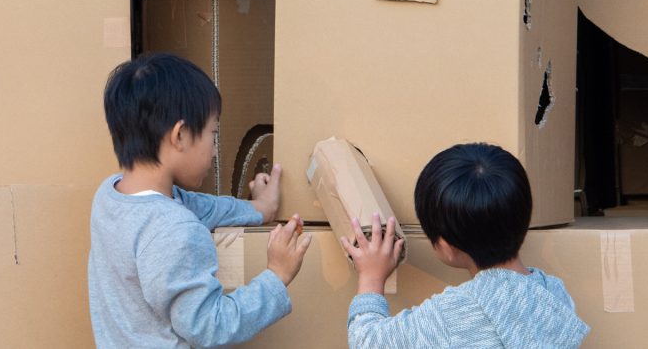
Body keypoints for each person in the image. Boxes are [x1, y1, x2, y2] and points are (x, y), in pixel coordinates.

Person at [89, 53, 311, 347]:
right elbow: (211, 326)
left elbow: (196, 205)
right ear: (180, 135)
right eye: (213, 135)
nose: (216, 150)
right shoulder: (174, 229)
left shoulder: (111, 195)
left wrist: (259, 208)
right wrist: (276, 275)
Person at [341, 143, 588, 348]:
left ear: (447, 247)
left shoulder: (450, 317)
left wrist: (371, 277)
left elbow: (367, 342)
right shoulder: (554, 294)